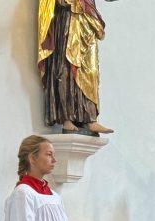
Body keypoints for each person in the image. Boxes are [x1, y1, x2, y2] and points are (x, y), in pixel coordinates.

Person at [37, 0, 113, 135]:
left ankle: (90, 119)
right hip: (67, 20)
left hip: (86, 21)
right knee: (66, 69)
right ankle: (67, 119)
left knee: (90, 71)